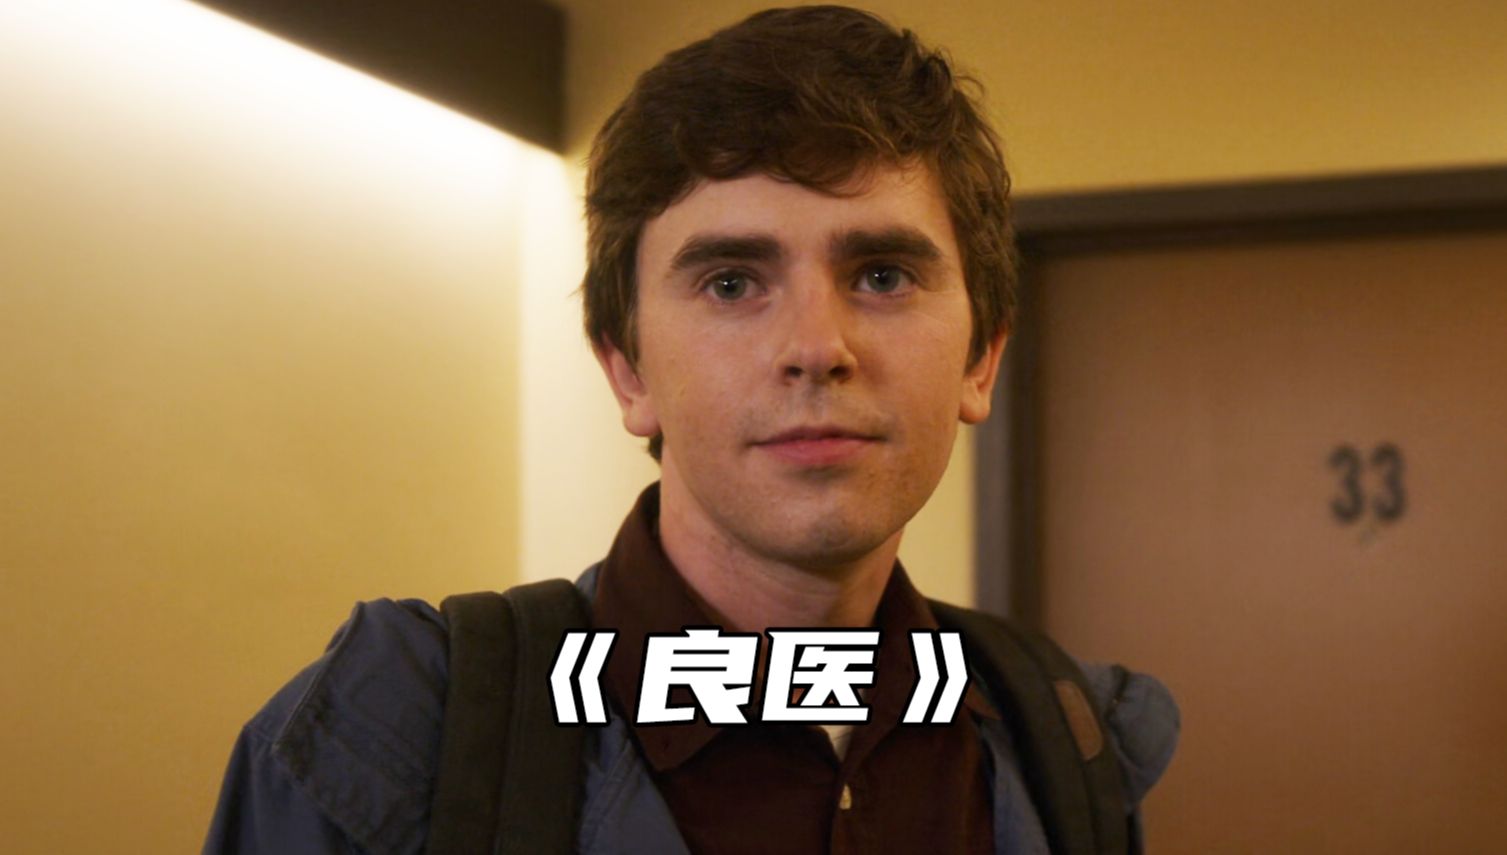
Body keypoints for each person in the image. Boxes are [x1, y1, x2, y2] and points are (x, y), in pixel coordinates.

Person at [204, 6, 1179, 853]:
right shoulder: (394, 738)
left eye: (882, 275)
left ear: (980, 360)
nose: (815, 348)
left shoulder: (1060, 742)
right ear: (627, 370)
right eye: (730, 282)